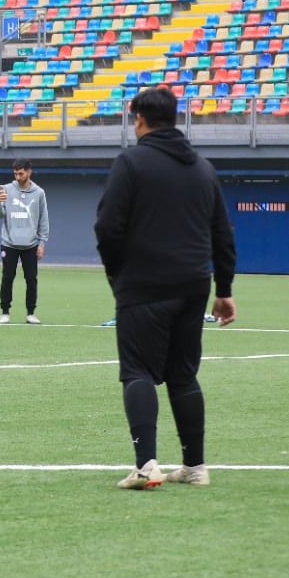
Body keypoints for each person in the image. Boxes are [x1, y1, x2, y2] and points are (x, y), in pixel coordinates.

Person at [95, 86, 237, 490]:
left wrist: (116, 274)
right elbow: (222, 233)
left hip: (143, 283)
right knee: (183, 375)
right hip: (193, 283)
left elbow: (107, 227)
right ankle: (195, 466)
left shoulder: (131, 163)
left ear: (139, 119)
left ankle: (147, 465)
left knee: (137, 370)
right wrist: (224, 289)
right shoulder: (203, 168)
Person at [0, 158, 49, 324]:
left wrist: (42, 243)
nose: (18, 177)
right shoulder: (6, 189)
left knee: (31, 279)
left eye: (21, 173)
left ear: (29, 172)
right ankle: (5, 312)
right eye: (15, 174)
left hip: (31, 244)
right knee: (7, 277)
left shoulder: (39, 193)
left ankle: (30, 313)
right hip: (9, 243)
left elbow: (43, 220)